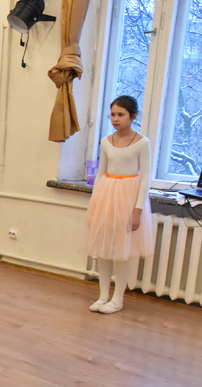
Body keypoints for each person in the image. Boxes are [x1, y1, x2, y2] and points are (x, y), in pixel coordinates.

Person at [79, 95, 154, 314]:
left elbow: (146, 179)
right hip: (106, 194)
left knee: (123, 249)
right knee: (104, 248)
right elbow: (100, 173)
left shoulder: (142, 143)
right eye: (112, 114)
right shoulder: (105, 141)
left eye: (121, 114)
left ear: (133, 116)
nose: (115, 119)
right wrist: (94, 203)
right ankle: (103, 295)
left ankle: (117, 299)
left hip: (128, 197)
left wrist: (137, 210)